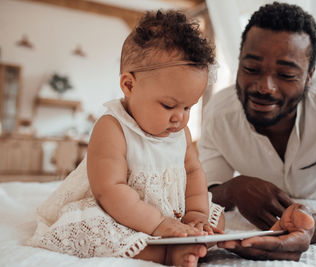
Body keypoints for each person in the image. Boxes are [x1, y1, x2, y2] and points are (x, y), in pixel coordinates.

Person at [27, 10, 224, 267]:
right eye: (168, 105)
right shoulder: (113, 127)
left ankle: (188, 238)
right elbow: (110, 190)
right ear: (129, 85)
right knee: (89, 229)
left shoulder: (180, 133)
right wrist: (158, 224)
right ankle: (165, 252)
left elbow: (193, 172)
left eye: (188, 107)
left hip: (171, 210)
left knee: (216, 217)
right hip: (118, 210)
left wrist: (195, 215)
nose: (180, 118)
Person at [198, 1, 316, 261]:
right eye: (251, 69)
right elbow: (203, 192)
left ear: (310, 76)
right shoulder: (219, 113)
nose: (265, 87)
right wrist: (233, 188)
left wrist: (307, 227)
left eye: (286, 74)